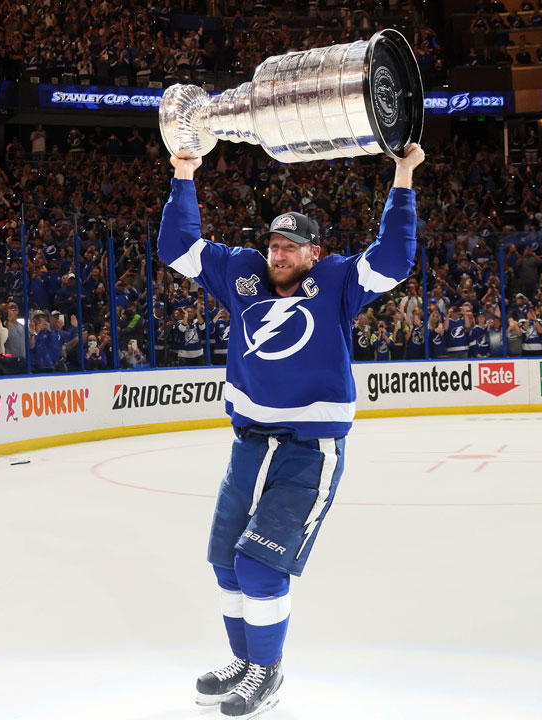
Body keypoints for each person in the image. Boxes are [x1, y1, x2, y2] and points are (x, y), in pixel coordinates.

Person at [160, 142, 424, 718]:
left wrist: (403, 175)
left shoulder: (336, 282)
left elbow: (394, 259)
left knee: (261, 565)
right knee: (226, 562)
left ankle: (268, 673)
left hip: (309, 449)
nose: (278, 254)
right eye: (273, 244)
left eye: (290, 246)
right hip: (250, 442)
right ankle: (244, 660)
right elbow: (176, 246)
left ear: (314, 251)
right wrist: (184, 173)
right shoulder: (242, 272)